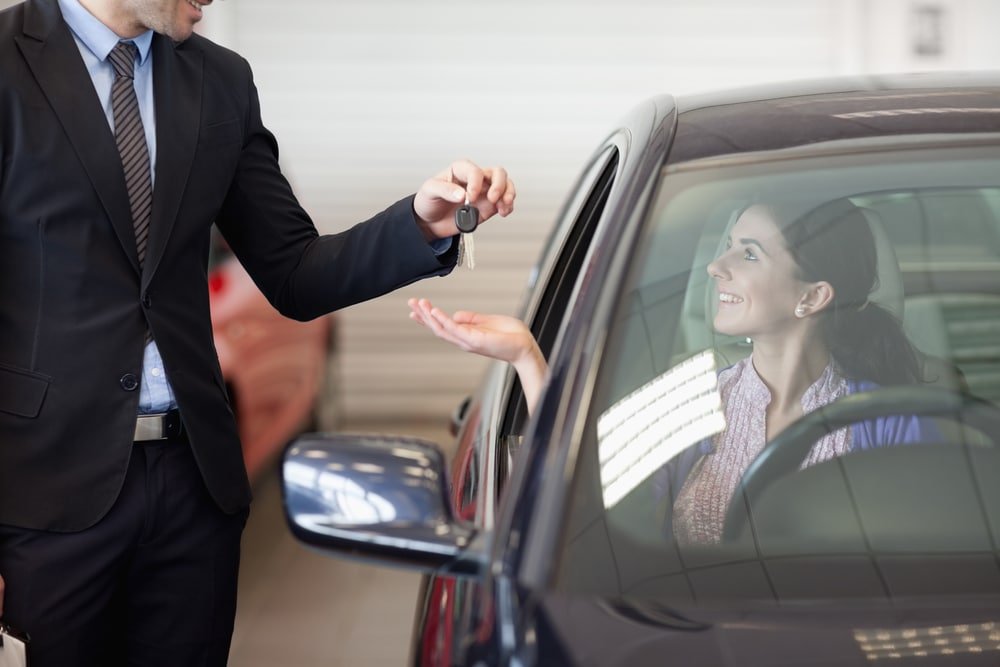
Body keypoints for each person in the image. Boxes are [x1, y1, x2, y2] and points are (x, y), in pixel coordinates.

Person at [0, 0, 516, 664]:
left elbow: (296, 272)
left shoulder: (219, 80)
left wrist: (418, 223)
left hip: (193, 492)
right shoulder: (10, 63)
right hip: (40, 505)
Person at [409, 198, 931, 544]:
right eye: (729, 244)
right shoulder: (686, 401)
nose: (715, 266)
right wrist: (527, 356)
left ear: (812, 296)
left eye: (749, 254)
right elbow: (580, 503)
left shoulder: (892, 420)